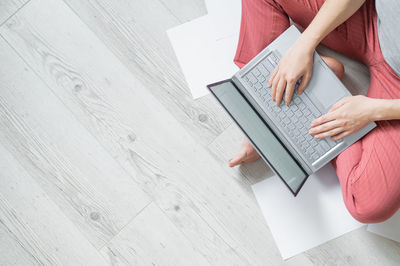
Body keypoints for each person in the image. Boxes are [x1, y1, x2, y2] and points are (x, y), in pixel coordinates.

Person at [229, 0, 400, 223]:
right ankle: (265, 107)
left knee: (367, 204)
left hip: (395, 87)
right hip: (370, 18)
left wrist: (374, 110)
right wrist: (304, 44)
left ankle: (311, 94)